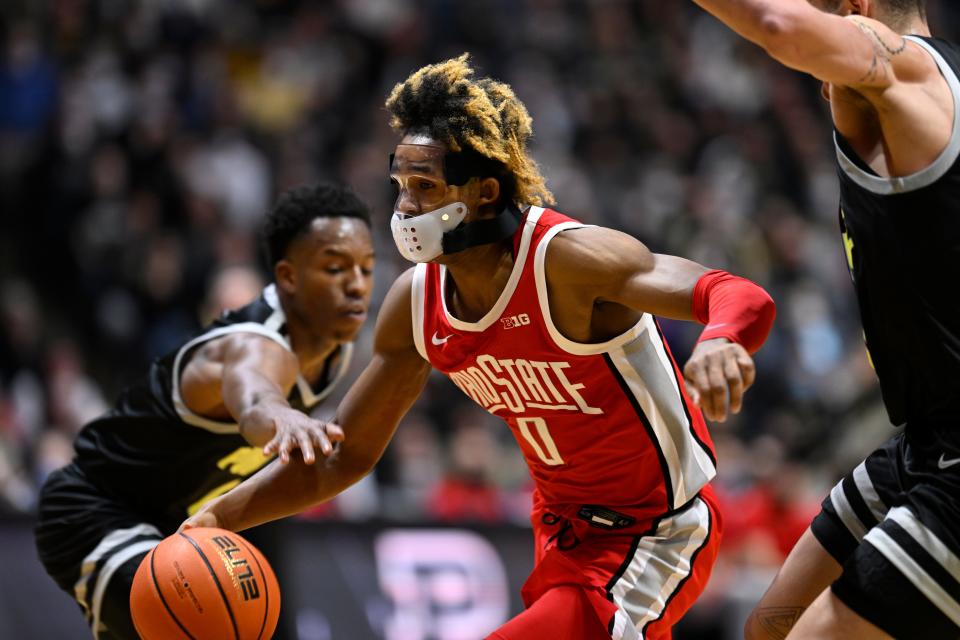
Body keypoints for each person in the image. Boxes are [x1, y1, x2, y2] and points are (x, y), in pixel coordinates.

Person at [184, 55, 776, 640]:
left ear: (486, 192)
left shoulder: (566, 262)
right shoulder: (415, 304)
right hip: (560, 533)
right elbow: (346, 456)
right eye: (400, 187)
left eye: (425, 187)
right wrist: (216, 517)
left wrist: (722, 340)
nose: (405, 207)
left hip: (655, 529)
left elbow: (732, 291)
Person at [688, 1, 960, 638]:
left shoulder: (904, 67)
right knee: (767, 628)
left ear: (856, 11)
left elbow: (776, 25)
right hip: (927, 437)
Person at [34, 182, 375, 639]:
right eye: (336, 268)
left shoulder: (336, 351)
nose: (357, 284)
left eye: (367, 268)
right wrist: (283, 416)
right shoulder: (249, 344)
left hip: (191, 521)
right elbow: (255, 398)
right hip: (99, 511)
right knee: (202, 624)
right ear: (289, 277)